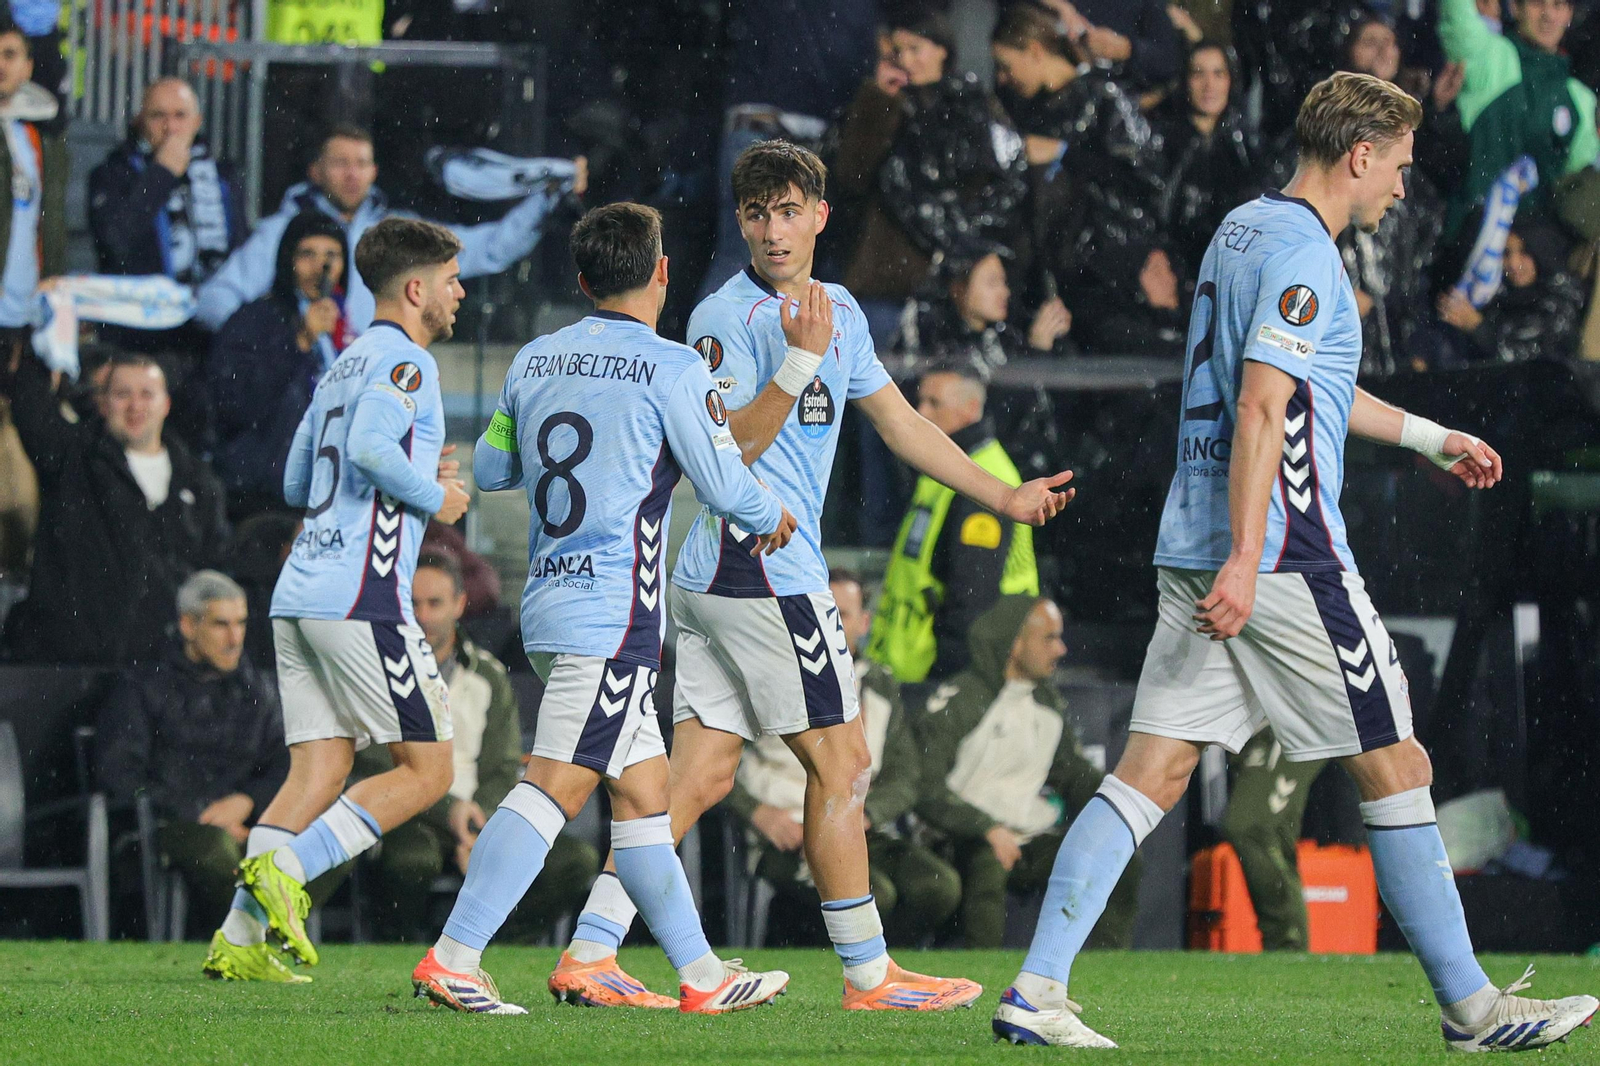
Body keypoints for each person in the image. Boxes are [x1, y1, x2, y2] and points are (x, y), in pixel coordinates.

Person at [990, 72, 1599, 1051]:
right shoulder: (1307, 257)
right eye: (1398, 167)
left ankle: (1035, 987)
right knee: (1396, 762)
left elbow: (1305, 386)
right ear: (1358, 154)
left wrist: (1430, 434)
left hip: (1193, 541)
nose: (1403, 188)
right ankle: (1474, 1010)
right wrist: (1246, 556)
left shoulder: (1242, 229)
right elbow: (1263, 406)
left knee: (1152, 767)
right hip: (1280, 553)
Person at [552, 140, 1072, 1012]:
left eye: (788, 210)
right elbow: (722, 454)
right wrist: (795, 367)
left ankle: (592, 949)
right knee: (844, 759)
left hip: (725, 579)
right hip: (760, 572)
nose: (773, 230)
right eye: (757, 214)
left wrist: (1003, 494)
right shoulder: (724, 318)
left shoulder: (840, 313)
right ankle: (870, 974)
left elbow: (903, 424)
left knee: (700, 777)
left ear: (820, 215)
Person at [411, 201, 798, 1015]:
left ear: (583, 280)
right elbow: (724, 484)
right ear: (662, 273)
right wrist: (773, 517)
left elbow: (490, 470)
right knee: (555, 784)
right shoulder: (672, 368)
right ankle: (454, 954)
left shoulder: (534, 360)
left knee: (644, 797)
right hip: (612, 614)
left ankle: (698, 975)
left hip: (550, 601)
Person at [202, 217, 471, 981]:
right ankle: (290, 873)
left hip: (300, 593)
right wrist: (437, 496)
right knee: (430, 770)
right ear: (415, 289)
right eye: (451, 280)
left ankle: (241, 942)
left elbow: (296, 483)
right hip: (362, 595)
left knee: (317, 771)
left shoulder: (343, 364)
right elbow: (368, 452)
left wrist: (414, 481)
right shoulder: (408, 362)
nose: (459, 293)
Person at [348, 552, 593, 943]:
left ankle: (497, 942)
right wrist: (450, 812)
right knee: (411, 860)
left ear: (459, 605)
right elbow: (376, 764)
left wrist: (479, 824)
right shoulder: (377, 675)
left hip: (482, 813)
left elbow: (502, 766)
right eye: (413, 604)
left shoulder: (490, 677)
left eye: (435, 603)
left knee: (574, 861)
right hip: (409, 815)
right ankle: (403, 945)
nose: (424, 616)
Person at [723, 569, 960, 946]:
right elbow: (712, 763)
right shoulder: (764, 677)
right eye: (822, 610)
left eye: (843, 614)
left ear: (864, 623)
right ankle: (845, 966)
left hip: (860, 828)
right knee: (875, 895)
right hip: (787, 832)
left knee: (937, 887)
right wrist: (757, 812)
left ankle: (890, 966)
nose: (830, 622)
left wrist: (867, 815)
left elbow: (906, 775)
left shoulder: (879, 685)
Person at [196, 124, 586, 333]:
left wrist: (546, 199)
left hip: (379, 386)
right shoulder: (282, 232)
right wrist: (274, 343)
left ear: (374, 172)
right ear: (315, 171)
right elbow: (216, 300)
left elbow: (489, 249)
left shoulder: (396, 231)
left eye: (361, 164)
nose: (352, 175)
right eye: (339, 163)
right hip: (301, 392)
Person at [916, 596, 1140, 949]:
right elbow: (924, 785)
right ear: (1016, 643)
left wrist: (1116, 812)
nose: (1061, 649)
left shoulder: (1047, 703)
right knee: (986, 864)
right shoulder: (963, 698)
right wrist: (985, 827)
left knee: (1112, 857)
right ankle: (979, 975)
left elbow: (1072, 772)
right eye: (1049, 638)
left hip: (1029, 836)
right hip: (962, 836)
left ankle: (1102, 972)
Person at [97, 571, 288, 943]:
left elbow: (287, 762)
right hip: (167, 825)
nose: (235, 639)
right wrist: (201, 813)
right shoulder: (142, 687)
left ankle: (265, 934)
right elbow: (118, 773)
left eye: (241, 624)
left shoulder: (259, 690)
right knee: (216, 848)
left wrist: (247, 802)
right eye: (221, 625)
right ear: (187, 625)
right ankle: (257, 939)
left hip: (247, 822)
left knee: (321, 846)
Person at [1, 352, 228, 664]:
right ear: (103, 403)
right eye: (122, 395)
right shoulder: (73, 456)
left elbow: (214, 571)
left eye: (146, 394)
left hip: (160, 671)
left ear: (166, 404)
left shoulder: (200, 483)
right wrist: (43, 341)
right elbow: (31, 407)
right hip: (72, 664)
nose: (135, 406)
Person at [835, 9, 1028, 321]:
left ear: (942, 50)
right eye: (898, 51)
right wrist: (880, 100)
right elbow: (850, 174)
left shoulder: (975, 101)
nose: (907, 60)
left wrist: (966, 243)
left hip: (959, 281)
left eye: (915, 49)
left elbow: (1005, 176)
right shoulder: (886, 101)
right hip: (890, 278)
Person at [868, 362, 1039, 684]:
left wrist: (944, 681)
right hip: (907, 670)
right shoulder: (943, 467)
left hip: (939, 676)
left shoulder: (986, 481)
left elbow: (972, 601)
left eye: (934, 403)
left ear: (971, 408)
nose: (921, 411)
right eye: (920, 401)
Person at [207, 212, 351, 518]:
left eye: (331, 255)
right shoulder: (253, 320)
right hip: (265, 494)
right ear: (288, 260)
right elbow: (236, 402)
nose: (320, 268)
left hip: (330, 490)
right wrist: (299, 343)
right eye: (307, 254)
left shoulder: (345, 327)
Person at [1439, 0, 1597, 234]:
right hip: (1468, 244)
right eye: (1537, 3)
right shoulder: (1488, 56)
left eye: (1558, 5)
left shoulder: (1582, 100)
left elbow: (1581, 197)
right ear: (1514, 7)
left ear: (1569, 14)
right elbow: (1455, 12)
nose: (1548, 15)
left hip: (1535, 255)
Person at [88, 78, 246, 290]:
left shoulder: (224, 175)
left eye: (180, 115)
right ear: (139, 121)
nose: (170, 127)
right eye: (157, 116)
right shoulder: (110, 174)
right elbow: (114, 242)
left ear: (197, 121)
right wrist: (161, 174)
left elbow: (240, 247)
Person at [1153, 42, 1259, 285]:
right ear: (1185, 81)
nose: (1209, 85)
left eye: (1218, 73)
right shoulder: (1161, 141)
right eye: (1198, 73)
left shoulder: (1249, 146)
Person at [1219, 726, 1327, 951]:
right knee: (1275, 834)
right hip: (1257, 722)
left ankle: (1286, 942)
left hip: (1293, 715)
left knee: (1249, 825)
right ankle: (1290, 953)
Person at [891, 248, 1074, 372]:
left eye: (1004, 282)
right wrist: (1036, 353)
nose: (1005, 292)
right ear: (959, 289)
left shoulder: (1005, 337)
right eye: (992, 282)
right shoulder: (932, 339)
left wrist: (1056, 341)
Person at [1436, 218, 1583, 364]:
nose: (1514, 264)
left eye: (1524, 252)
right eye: (1506, 253)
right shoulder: (1496, 294)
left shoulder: (1563, 300)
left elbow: (1529, 358)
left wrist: (1478, 327)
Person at [0, 21, 63, 337]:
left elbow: (50, 224)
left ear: (27, 68)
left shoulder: (39, 142)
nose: (0, 64)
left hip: (27, 317)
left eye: (9, 55)